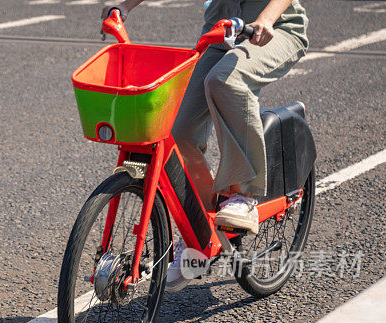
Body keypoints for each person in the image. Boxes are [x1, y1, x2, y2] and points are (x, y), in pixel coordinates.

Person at [102, 0, 308, 291]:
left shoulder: (273, 22)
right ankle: (201, 237)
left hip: (275, 29)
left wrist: (266, 17)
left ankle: (245, 194)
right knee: (177, 130)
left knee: (225, 82)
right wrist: (123, 7)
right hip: (221, 34)